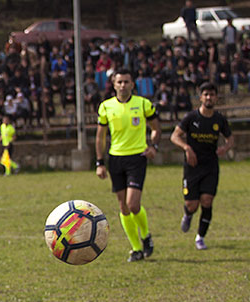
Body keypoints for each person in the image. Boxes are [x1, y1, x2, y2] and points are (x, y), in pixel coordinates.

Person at [95, 68, 162, 262]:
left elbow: (156, 129)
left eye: (126, 82)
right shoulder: (106, 107)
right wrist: (100, 162)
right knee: (123, 207)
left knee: (133, 204)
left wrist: (154, 146)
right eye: (119, 82)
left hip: (137, 158)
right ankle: (136, 248)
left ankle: (146, 234)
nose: (123, 85)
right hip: (116, 159)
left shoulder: (143, 104)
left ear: (132, 84)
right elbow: (100, 137)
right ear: (114, 85)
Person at [169, 81, 234, 250]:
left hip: (210, 166)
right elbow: (174, 136)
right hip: (192, 167)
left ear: (216, 98)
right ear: (200, 97)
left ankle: (200, 237)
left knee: (207, 200)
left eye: (212, 94)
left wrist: (225, 148)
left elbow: (230, 138)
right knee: (192, 204)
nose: (209, 97)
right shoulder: (191, 117)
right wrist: (187, 148)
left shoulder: (219, 119)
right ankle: (188, 214)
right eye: (206, 94)